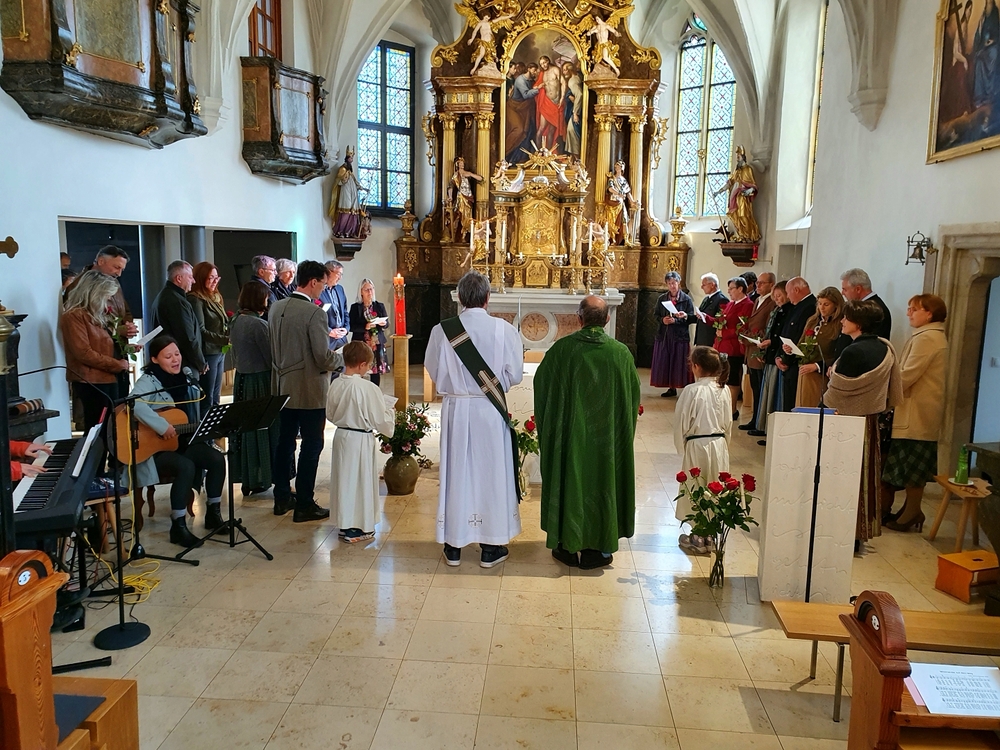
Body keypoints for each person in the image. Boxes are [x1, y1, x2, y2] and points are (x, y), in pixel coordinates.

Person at [534, 295, 640, 570]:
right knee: (602, 481)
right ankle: (597, 550)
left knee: (570, 476)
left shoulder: (561, 351)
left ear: (579, 319)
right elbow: (631, 398)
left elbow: (542, 389)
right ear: (607, 319)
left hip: (570, 438)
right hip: (606, 440)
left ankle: (566, 545)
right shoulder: (620, 354)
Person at [426, 271, 522, 567]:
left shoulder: (441, 331)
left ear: (459, 297)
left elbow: (433, 369)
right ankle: (491, 547)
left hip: (456, 409)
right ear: (487, 298)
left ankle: (453, 546)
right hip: (489, 410)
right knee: (490, 475)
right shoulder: (504, 330)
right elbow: (515, 375)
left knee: (457, 473)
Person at [128, 336, 227, 546]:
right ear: (155, 359)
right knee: (185, 466)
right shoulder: (148, 381)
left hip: (182, 442)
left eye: (177, 354)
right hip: (154, 449)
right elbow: (133, 403)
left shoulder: (187, 378)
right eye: (168, 356)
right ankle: (178, 526)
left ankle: (213, 514)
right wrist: (161, 426)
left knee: (217, 459)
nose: (175, 360)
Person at [269, 260, 344, 522]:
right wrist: (342, 360)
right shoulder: (314, 313)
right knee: (312, 445)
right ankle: (304, 504)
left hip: (281, 387)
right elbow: (322, 357)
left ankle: (281, 498)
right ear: (313, 282)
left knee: (284, 443)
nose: (323, 288)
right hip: (308, 388)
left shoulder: (276, 306)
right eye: (322, 283)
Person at [824, 300, 903, 546]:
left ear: (858, 323)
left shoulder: (853, 352)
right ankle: (859, 532)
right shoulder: (885, 347)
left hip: (845, 422)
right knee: (865, 478)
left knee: (843, 478)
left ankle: (841, 532)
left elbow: (836, 393)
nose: (842, 321)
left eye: (846, 318)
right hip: (871, 421)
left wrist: (833, 377)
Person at [881, 294, 949, 532]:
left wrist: (882, 391)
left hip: (917, 411)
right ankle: (910, 510)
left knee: (913, 466)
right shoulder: (927, 335)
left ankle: (912, 512)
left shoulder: (927, 338)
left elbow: (907, 374)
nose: (908, 312)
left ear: (929, 314)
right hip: (916, 409)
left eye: (914, 309)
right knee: (909, 465)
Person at [326, 342, 397, 543]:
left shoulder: (335, 383)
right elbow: (379, 419)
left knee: (345, 481)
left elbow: (330, 414)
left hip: (342, 436)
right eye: (369, 365)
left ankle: (345, 524)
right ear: (362, 364)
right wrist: (389, 412)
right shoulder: (367, 387)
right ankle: (358, 528)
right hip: (359, 438)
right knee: (360, 482)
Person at [673, 346, 733, 555]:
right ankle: (710, 535)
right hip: (719, 443)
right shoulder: (724, 389)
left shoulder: (692, 390)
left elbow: (681, 421)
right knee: (714, 486)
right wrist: (725, 445)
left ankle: (698, 536)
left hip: (697, 444)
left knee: (696, 487)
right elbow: (728, 422)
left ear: (696, 367)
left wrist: (682, 446)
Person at [60, 271, 130, 440]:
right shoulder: (73, 315)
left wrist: (126, 348)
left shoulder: (95, 314)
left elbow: (103, 343)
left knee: (111, 431)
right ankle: (94, 459)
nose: (108, 300)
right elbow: (83, 353)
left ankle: (110, 458)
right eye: (106, 295)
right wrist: (117, 364)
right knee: (97, 431)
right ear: (94, 293)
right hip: (91, 381)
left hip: (107, 377)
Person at [229, 281, 276, 497]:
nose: (267, 300)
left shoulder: (237, 320)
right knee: (262, 431)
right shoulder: (258, 325)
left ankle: (249, 478)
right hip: (260, 381)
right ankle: (263, 477)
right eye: (265, 297)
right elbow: (270, 357)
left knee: (246, 431)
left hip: (242, 380)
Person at [704, 276, 754, 418]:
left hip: (733, 348)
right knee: (721, 378)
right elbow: (721, 321)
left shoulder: (747, 305)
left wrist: (724, 333)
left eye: (732, 288)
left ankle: (732, 410)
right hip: (722, 346)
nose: (729, 291)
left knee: (732, 379)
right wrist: (705, 317)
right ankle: (722, 408)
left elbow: (743, 328)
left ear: (740, 289)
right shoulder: (731, 304)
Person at [795, 286, 849, 409]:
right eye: (819, 304)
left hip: (823, 375)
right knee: (802, 405)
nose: (822, 308)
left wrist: (817, 366)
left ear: (836, 305)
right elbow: (802, 343)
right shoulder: (813, 321)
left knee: (814, 407)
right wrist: (791, 349)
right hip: (805, 372)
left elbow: (839, 354)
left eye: (826, 304)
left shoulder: (840, 325)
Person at [152, 261, 207, 381]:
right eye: (190, 277)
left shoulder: (165, 295)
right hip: (182, 364)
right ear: (179, 278)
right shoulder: (176, 301)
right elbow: (187, 337)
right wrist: (200, 362)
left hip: (175, 362)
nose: (193, 281)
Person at [750, 280, 789, 443]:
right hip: (771, 354)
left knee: (774, 396)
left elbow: (781, 335)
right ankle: (764, 426)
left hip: (779, 357)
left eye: (779, 295)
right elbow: (770, 330)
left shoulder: (787, 311)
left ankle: (772, 431)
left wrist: (771, 343)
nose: (777, 299)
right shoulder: (778, 310)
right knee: (766, 393)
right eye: (775, 296)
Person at [187, 262, 229, 413]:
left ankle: (215, 425)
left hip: (219, 351)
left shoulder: (214, 296)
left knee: (216, 396)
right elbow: (201, 330)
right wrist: (225, 339)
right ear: (201, 277)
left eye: (217, 278)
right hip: (207, 353)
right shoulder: (195, 299)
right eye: (210, 278)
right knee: (207, 398)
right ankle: (205, 428)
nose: (215, 281)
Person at [651, 271, 695, 397]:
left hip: (680, 336)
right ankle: (671, 388)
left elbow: (691, 318)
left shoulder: (686, 299)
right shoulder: (662, 298)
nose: (672, 286)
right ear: (666, 284)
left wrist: (676, 320)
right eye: (669, 283)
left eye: (674, 283)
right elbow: (655, 315)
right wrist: (662, 320)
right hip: (664, 335)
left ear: (678, 282)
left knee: (679, 362)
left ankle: (684, 387)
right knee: (666, 361)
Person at [740, 272, 776, 432]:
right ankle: (754, 419)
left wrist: (749, 337)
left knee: (760, 388)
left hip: (759, 350)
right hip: (751, 349)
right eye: (757, 283)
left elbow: (767, 328)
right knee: (754, 385)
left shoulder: (772, 302)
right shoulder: (757, 300)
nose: (758, 285)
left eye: (762, 283)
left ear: (771, 285)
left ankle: (760, 421)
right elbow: (752, 323)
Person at [776, 277, 817, 413]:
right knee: (787, 403)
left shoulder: (810, 306)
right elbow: (786, 331)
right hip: (789, 360)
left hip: (796, 363)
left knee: (793, 404)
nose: (787, 296)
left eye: (788, 292)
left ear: (797, 290)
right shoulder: (798, 306)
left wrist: (787, 359)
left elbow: (800, 336)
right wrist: (780, 356)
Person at [348, 279, 389, 387]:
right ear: (361, 291)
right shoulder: (355, 307)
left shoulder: (379, 306)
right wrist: (365, 327)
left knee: (375, 372)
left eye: (371, 289)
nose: (370, 292)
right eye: (367, 289)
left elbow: (386, 324)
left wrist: (383, 323)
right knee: (359, 370)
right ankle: (359, 392)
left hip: (376, 344)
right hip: (361, 344)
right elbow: (351, 326)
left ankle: (374, 392)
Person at [840, 268, 892, 341]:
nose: (842, 293)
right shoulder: (865, 306)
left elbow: (870, 341)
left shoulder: (874, 309)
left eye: (845, 289)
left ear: (858, 289)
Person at [328, 148, 369, 238]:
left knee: (353, 212)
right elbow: (338, 181)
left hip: (353, 193)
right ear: (347, 158)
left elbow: (355, 182)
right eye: (350, 158)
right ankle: (341, 231)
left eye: (352, 158)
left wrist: (364, 189)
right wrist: (344, 178)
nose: (352, 160)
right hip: (345, 192)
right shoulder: (342, 169)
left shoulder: (350, 171)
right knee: (345, 211)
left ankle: (350, 232)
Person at [506, 62, 540, 163]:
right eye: (534, 70)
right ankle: (504, 153)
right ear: (529, 69)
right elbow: (525, 95)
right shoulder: (520, 80)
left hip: (524, 109)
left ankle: (518, 158)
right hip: (514, 107)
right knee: (518, 130)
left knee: (527, 131)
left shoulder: (531, 81)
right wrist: (538, 89)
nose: (535, 72)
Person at [320, 260, 349, 356]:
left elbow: (345, 311)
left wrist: (346, 329)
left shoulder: (340, 289)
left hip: (341, 338)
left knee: (344, 363)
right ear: (329, 272)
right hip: (327, 339)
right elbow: (315, 317)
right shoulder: (318, 290)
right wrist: (330, 331)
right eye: (338, 274)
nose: (340, 278)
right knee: (328, 365)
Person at [694, 273, 727, 346]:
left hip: (710, 340)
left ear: (712, 285)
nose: (701, 287)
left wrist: (706, 317)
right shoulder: (706, 299)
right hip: (701, 339)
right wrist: (686, 316)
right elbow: (699, 318)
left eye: (704, 285)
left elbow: (720, 322)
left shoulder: (722, 300)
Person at [606, 160, 634, 245]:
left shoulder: (624, 180)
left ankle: (626, 240)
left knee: (624, 220)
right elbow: (610, 188)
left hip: (621, 203)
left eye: (620, 166)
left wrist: (632, 202)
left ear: (622, 169)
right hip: (613, 202)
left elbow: (628, 192)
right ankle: (612, 239)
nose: (618, 167)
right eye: (617, 166)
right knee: (613, 221)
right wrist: (618, 194)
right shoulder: (612, 179)